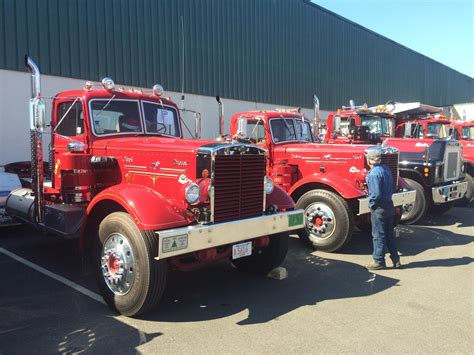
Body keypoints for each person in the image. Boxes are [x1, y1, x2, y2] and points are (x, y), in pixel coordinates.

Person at [365, 147, 401, 270]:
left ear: (369, 161)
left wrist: (371, 204)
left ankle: (379, 261)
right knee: (389, 234)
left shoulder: (373, 174)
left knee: (378, 235)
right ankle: (396, 259)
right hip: (389, 205)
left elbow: (375, 194)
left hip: (379, 207)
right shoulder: (386, 169)